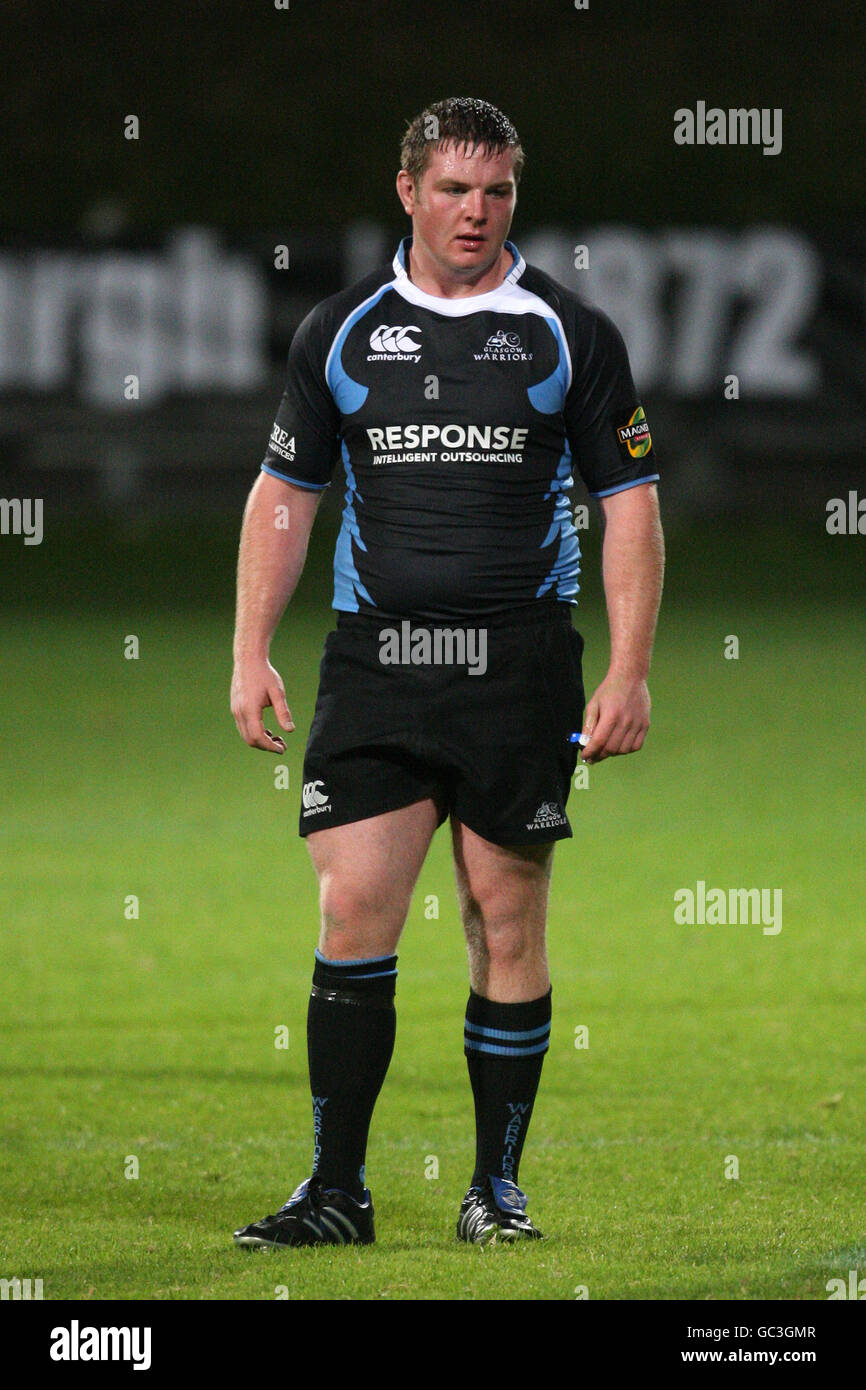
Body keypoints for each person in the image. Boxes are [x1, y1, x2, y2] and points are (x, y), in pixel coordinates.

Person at [230, 96, 664, 1248]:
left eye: (499, 191)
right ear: (408, 191)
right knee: (351, 908)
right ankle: (335, 1190)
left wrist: (627, 668)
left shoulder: (567, 330)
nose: (477, 212)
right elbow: (285, 498)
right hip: (376, 661)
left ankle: (496, 1189)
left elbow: (629, 506)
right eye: (456, 189)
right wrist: (246, 650)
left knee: (502, 917)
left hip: (516, 664)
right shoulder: (341, 329)